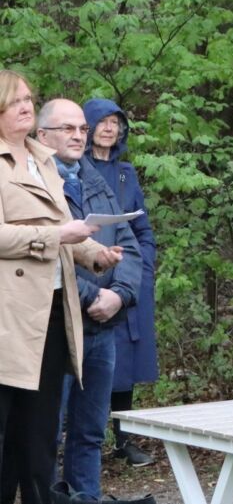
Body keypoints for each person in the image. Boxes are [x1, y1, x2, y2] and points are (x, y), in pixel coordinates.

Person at [0, 71, 122, 504]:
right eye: (15, 101)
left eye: (30, 99)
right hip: (9, 320)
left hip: (53, 311)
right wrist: (58, 239)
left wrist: (92, 252)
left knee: (39, 439)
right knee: (6, 441)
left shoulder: (42, 159)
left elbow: (59, 226)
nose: (26, 106)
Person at [36, 100, 142, 502]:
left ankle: (87, 497)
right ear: (42, 136)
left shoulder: (94, 178)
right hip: (58, 325)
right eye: (68, 129)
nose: (79, 136)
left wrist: (120, 295)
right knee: (46, 431)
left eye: (82, 128)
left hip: (103, 327)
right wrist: (92, 294)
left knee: (90, 432)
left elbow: (129, 245)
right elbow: (45, 256)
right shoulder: (38, 185)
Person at [82, 99, 158, 468]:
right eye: (103, 122)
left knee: (124, 363)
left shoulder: (127, 173)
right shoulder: (73, 171)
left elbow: (142, 229)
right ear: (88, 126)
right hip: (88, 276)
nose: (110, 129)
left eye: (116, 123)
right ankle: (82, 445)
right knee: (84, 361)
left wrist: (143, 270)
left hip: (128, 282)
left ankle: (124, 441)